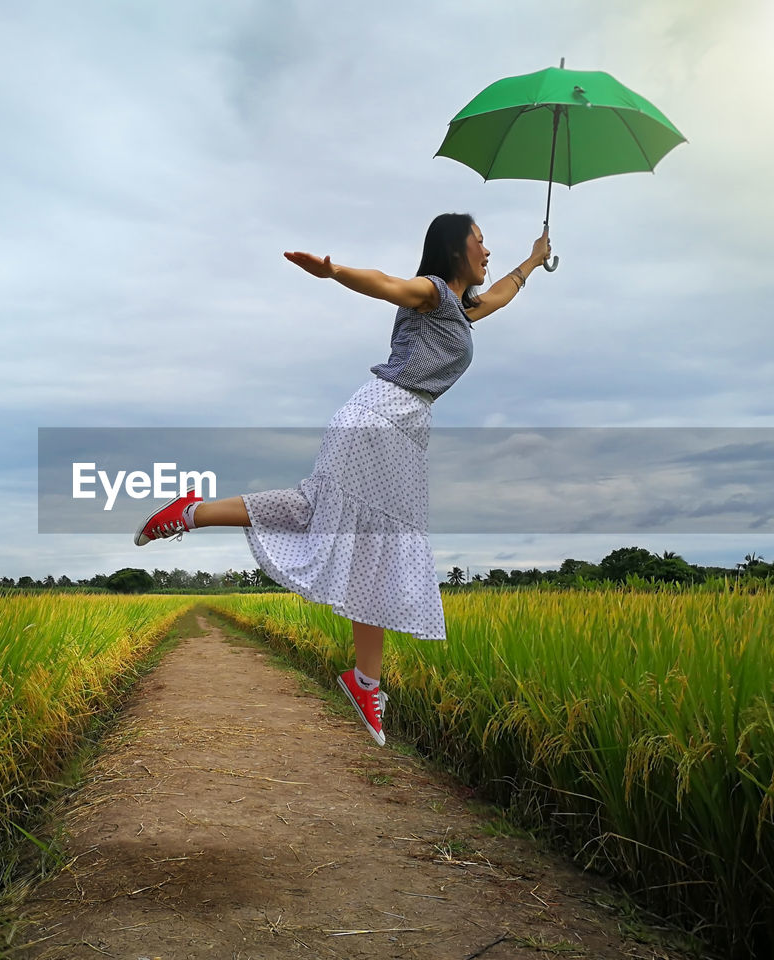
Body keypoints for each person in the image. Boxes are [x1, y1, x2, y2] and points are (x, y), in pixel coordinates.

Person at [134, 214, 552, 746]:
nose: (486, 249)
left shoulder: (463, 311)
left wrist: (534, 260)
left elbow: (499, 294)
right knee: (374, 540)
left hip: (400, 428)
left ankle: (190, 513)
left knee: (317, 512)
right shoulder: (429, 293)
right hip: (380, 418)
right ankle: (365, 681)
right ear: (454, 250)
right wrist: (335, 273)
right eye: (480, 240)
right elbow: (386, 283)